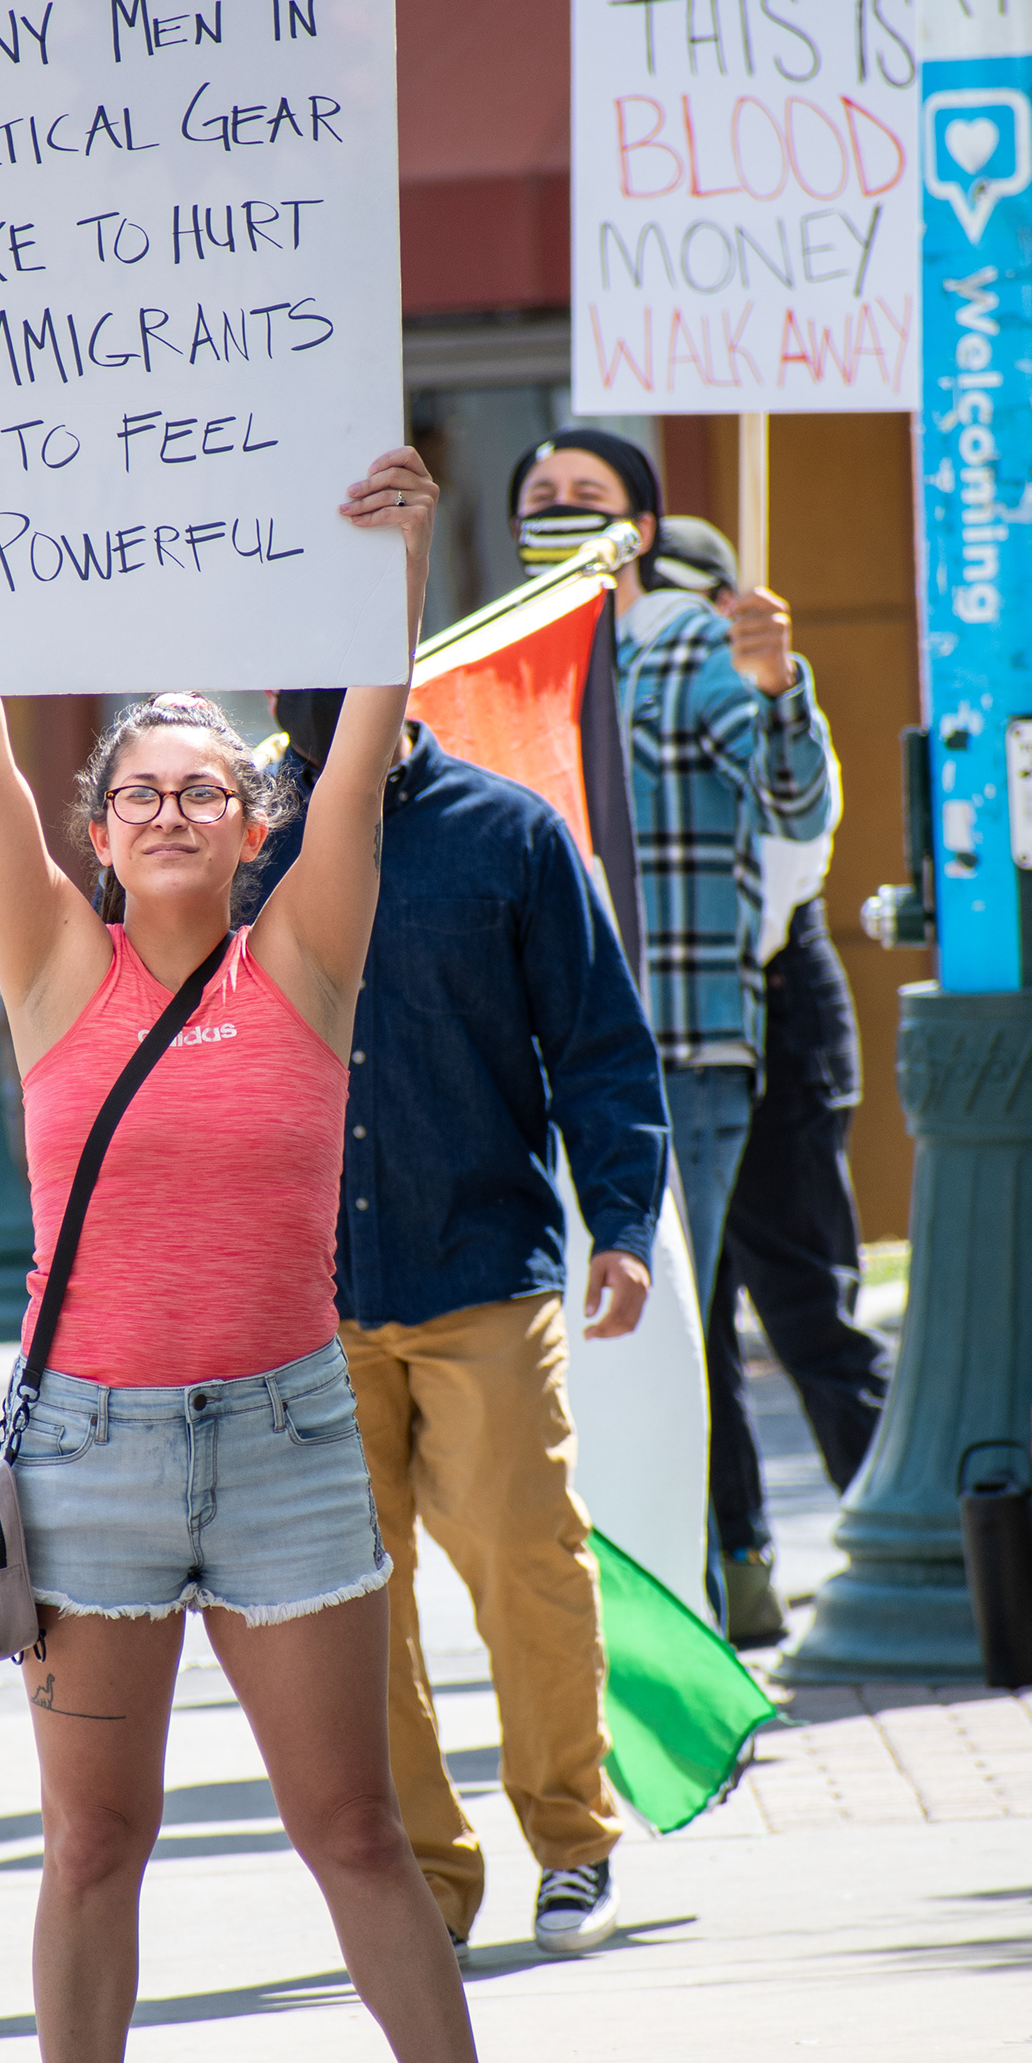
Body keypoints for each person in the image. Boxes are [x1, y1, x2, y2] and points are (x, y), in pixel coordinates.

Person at [0, 438, 619, 2063]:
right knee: (94, 1842)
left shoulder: (307, 958)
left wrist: (396, 554)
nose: (182, 811)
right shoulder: (54, 964)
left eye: (214, 788)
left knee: (353, 1825)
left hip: (286, 1438)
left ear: (253, 817)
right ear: (103, 823)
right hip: (94, 1459)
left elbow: (369, 750)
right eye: (148, 790)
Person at [256, 685, 669, 1961]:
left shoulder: (510, 834)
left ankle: (574, 1846)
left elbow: (598, 1042)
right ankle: (420, 1889)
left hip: (481, 1270)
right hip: (301, 1301)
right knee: (348, 1615)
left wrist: (623, 1222)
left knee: (527, 1566)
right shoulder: (238, 840)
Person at [511, 428, 837, 1616]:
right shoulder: (505, 669)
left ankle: (679, 1619)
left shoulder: (692, 647)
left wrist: (778, 690)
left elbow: (788, 792)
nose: (558, 509)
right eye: (539, 496)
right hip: (541, 1069)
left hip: (678, 1054)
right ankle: (630, 1613)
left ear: (639, 530)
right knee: (586, 1351)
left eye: (584, 497)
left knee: (659, 1335)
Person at [648, 522, 894, 1647]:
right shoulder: (618, 686)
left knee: (806, 1301)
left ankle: (900, 1537)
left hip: (774, 999)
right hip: (674, 1027)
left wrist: (766, 685)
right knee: (690, 1331)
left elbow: (800, 838)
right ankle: (740, 1574)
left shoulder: (746, 698)